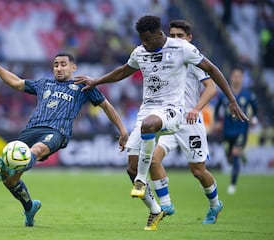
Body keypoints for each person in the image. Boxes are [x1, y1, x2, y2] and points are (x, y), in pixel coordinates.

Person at [74, 15, 248, 230]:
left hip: (181, 115)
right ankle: (159, 208)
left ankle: (213, 204)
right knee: (135, 164)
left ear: (160, 34)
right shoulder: (140, 52)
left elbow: (211, 77)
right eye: (142, 39)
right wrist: (96, 80)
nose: (144, 44)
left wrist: (229, 100)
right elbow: (122, 71)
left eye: (147, 39)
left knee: (197, 170)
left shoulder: (185, 52)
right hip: (151, 114)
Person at [0, 53, 128, 227]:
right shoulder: (43, 83)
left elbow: (106, 106)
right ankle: (29, 207)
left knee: (35, 151)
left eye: (63, 64)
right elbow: (15, 82)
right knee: (9, 180)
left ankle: (17, 162)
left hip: (57, 132)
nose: (59, 68)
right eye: (55, 65)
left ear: (72, 68)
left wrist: (122, 130)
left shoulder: (83, 86)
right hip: (31, 130)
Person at [142, 19, 222, 224]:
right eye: (173, 35)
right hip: (170, 119)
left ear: (189, 38)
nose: (175, 39)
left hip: (189, 122)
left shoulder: (192, 59)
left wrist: (196, 109)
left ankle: (215, 205)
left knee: (197, 170)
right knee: (153, 160)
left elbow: (211, 88)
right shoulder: (166, 57)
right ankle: (166, 204)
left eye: (180, 36)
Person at [214, 66, 258, 195]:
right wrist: (217, 121)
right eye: (234, 76)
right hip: (227, 131)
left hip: (241, 130)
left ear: (243, 78)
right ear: (230, 78)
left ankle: (232, 185)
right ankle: (240, 155)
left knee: (235, 154)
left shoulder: (248, 94)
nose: (236, 79)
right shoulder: (224, 94)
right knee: (229, 158)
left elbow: (255, 108)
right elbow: (217, 109)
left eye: (239, 76)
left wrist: (254, 118)